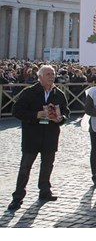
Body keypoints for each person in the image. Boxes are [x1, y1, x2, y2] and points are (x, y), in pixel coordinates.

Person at [8, 65, 70, 211]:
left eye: (53, 74)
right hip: (32, 135)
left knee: (47, 165)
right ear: (40, 76)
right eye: (48, 74)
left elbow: (67, 112)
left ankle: (45, 191)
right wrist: (35, 115)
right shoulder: (29, 92)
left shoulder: (59, 94)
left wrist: (61, 118)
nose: (51, 76)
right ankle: (17, 197)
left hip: (50, 135)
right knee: (25, 167)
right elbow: (16, 110)